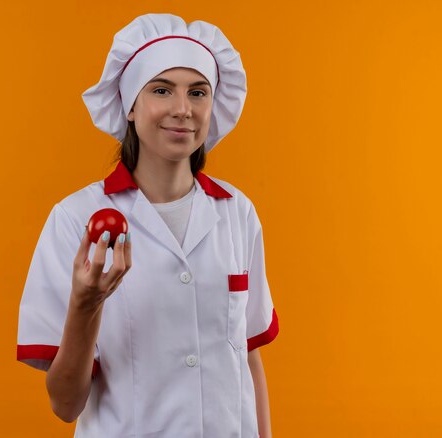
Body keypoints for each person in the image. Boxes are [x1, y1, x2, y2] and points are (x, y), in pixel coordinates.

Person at [17, 13, 279, 438]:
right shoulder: (74, 221)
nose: (183, 109)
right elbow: (65, 405)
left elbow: (247, 354)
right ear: (131, 105)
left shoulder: (237, 212)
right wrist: (87, 303)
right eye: (162, 90)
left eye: (198, 92)